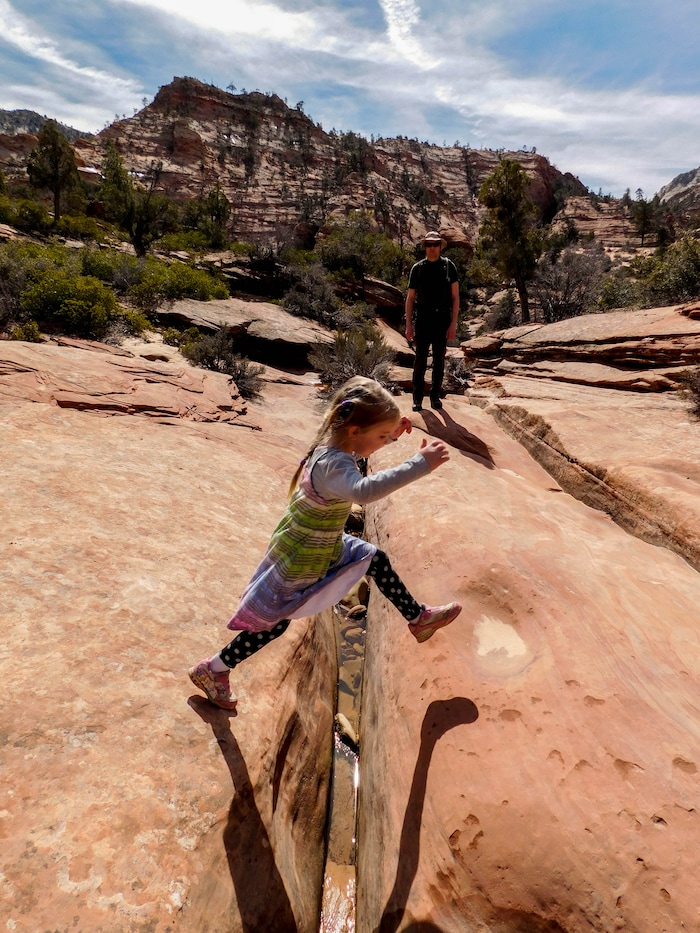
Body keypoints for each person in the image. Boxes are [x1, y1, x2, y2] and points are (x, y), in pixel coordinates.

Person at [189, 376, 462, 710]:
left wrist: (390, 435)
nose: (382, 441)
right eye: (379, 436)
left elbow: (364, 445)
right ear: (354, 431)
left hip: (323, 544)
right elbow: (364, 491)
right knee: (274, 624)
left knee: (373, 557)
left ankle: (418, 618)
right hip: (303, 555)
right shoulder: (334, 462)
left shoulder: (335, 446)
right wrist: (419, 465)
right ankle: (214, 669)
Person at [405, 231, 460, 411]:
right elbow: (410, 298)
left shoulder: (449, 267)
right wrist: (408, 325)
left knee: (439, 360)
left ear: (440, 246)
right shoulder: (418, 268)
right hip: (423, 319)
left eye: (435, 244)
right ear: (425, 246)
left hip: (442, 319)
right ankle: (417, 399)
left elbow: (455, 298)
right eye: (429, 244)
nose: (432, 247)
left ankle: (435, 396)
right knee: (420, 360)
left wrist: (453, 324)